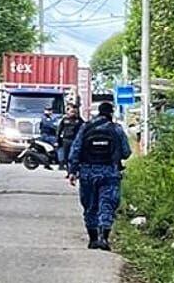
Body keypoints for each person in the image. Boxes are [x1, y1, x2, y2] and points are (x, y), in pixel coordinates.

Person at [68, 100, 132, 251]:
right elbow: (126, 152)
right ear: (111, 113)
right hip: (110, 173)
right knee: (107, 205)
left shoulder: (86, 127)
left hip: (87, 173)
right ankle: (104, 238)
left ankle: (92, 239)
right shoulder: (116, 129)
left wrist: (72, 171)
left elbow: (75, 149)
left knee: (90, 206)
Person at [56, 103, 83, 171]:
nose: (73, 113)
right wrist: (57, 140)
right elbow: (59, 130)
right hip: (66, 140)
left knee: (74, 156)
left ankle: (73, 171)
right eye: (71, 112)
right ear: (68, 112)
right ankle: (68, 171)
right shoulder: (65, 120)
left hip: (75, 140)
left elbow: (84, 129)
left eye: (74, 112)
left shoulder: (79, 120)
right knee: (66, 157)